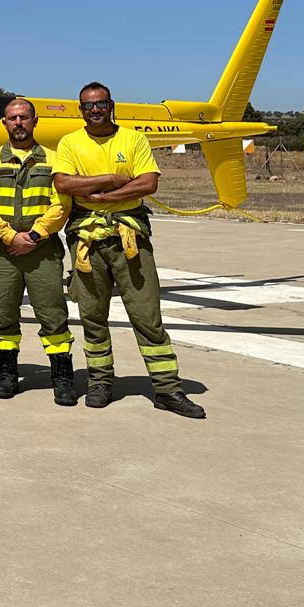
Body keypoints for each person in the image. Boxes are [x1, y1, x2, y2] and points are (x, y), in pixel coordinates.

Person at [53, 83, 205, 419]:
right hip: (87, 240)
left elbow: (148, 182)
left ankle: (167, 389)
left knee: (147, 315)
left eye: (101, 104)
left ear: (111, 105)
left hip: (129, 239)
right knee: (92, 317)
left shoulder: (133, 139)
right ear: (81, 110)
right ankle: (100, 382)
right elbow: (64, 184)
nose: (95, 110)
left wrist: (104, 196)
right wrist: (112, 179)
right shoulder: (70, 142)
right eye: (88, 106)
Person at [0, 98, 76, 404]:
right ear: (4, 122)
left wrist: (35, 234)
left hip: (42, 251)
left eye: (24, 118)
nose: (18, 123)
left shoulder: (57, 161)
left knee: (53, 314)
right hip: (0, 251)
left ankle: (62, 377)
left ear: (34, 121)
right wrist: (8, 236)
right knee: (2, 314)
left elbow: (62, 203)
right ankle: (6, 374)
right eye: (12, 118)